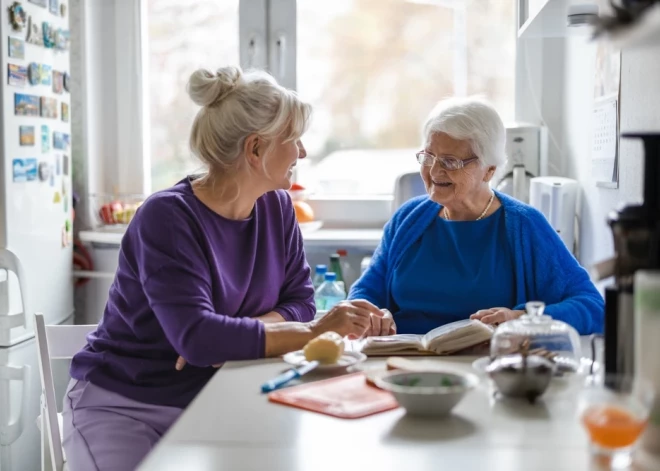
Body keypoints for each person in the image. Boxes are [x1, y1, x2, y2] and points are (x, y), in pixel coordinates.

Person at [62, 66, 381, 471]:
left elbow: (299, 299)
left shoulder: (277, 207)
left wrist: (229, 336)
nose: (302, 153)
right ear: (255, 149)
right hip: (126, 404)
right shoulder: (166, 217)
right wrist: (313, 332)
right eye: (294, 140)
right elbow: (199, 338)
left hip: (216, 395)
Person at [350, 96, 604, 337]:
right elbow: (364, 292)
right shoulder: (408, 219)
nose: (434, 170)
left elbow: (593, 307)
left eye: (450, 161)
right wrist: (374, 314)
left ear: (488, 170)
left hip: (487, 369)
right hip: (403, 362)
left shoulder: (524, 225)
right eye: (428, 157)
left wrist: (522, 319)